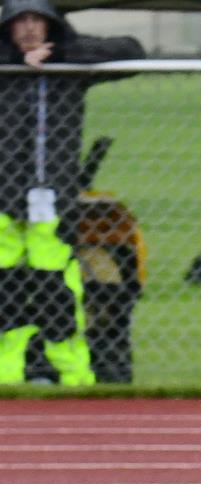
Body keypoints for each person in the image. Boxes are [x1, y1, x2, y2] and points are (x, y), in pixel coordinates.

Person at [0, 0, 141, 385]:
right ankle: (6, 379)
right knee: (4, 288)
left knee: (57, 292)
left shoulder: (68, 63)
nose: (29, 29)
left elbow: (131, 49)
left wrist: (60, 55)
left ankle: (75, 379)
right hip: (3, 202)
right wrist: (15, 62)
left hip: (53, 201)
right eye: (20, 21)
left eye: (37, 20)